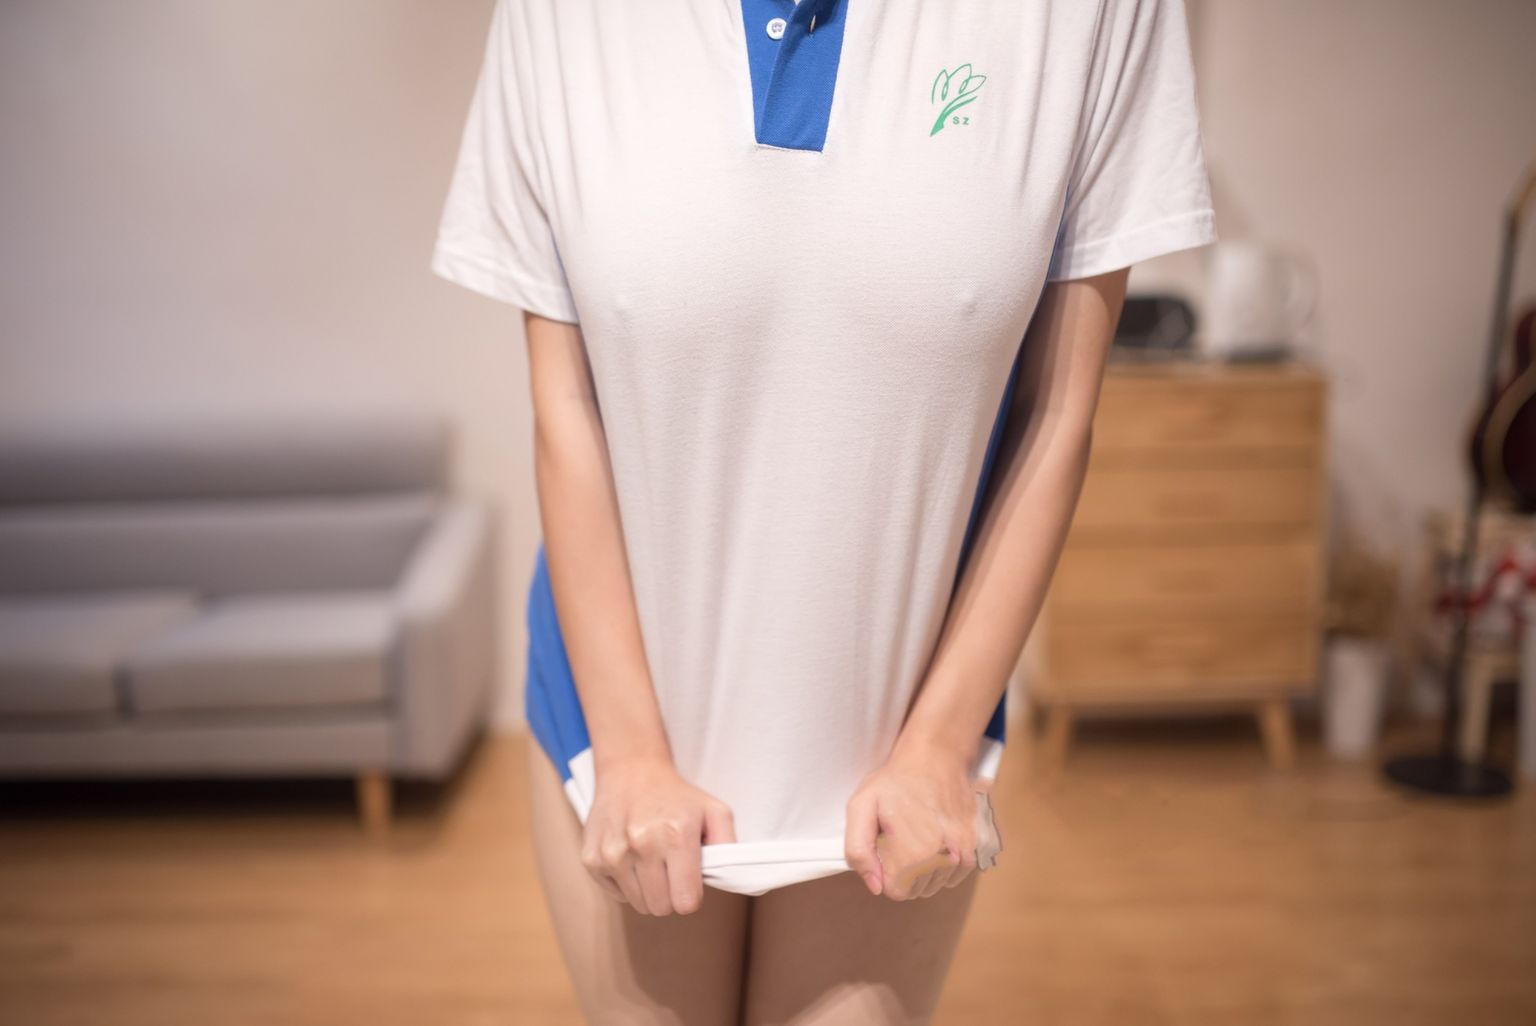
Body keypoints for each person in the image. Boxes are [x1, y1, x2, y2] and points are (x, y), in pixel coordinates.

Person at [430, 0, 1217, 1021]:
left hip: (899, 744)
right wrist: (628, 758)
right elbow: (565, 403)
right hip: (619, 722)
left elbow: (1058, 411)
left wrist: (937, 748)